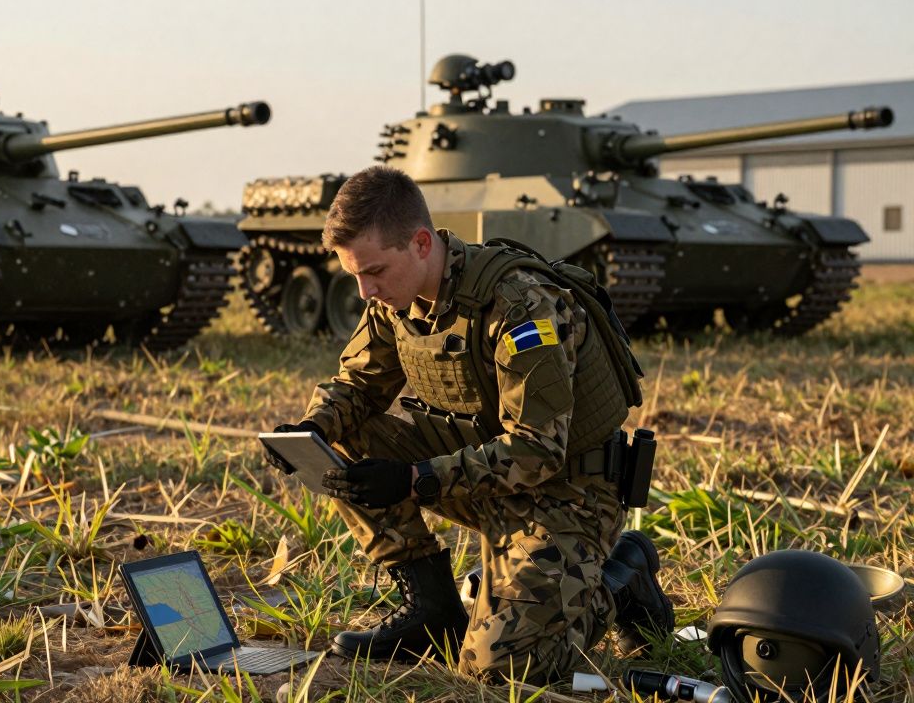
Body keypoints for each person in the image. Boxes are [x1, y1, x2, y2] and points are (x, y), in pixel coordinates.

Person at [263, 166, 674, 684]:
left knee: (499, 669)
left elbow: (537, 451)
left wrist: (415, 479)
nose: (364, 291)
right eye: (354, 276)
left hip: (568, 492)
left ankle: (618, 580)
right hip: (485, 478)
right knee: (343, 435)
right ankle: (431, 605)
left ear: (419, 243)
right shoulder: (396, 299)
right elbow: (359, 386)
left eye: (373, 272)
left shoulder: (520, 305)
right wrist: (307, 431)